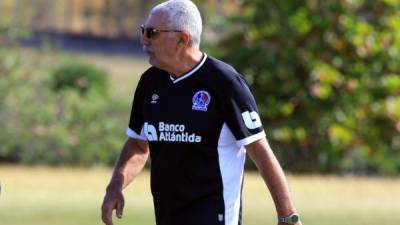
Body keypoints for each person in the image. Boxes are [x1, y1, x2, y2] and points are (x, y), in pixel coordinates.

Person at [101, 1, 302, 225]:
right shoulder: (150, 82)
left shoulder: (225, 82)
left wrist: (288, 217)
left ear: (183, 39)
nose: (144, 40)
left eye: (152, 33)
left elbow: (260, 151)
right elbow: (138, 145)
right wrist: (116, 185)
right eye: (143, 31)